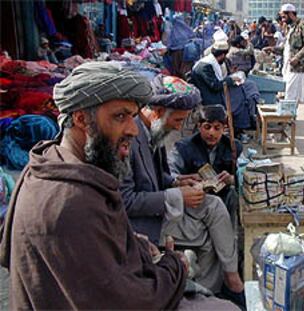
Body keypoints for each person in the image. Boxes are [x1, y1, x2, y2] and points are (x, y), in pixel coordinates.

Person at [0, 61, 236, 310]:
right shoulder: (70, 199)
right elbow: (130, 300)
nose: (133, 130)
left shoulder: (51, 167)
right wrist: (174, 266)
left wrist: (134, 244)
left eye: (133, 116)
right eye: (120, 116)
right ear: (81, 119)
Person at [120, 75, 245, 308]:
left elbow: (158, 178)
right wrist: (176, 195)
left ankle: (220, 285)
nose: (179, 127)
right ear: (157, 111)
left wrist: (178, 181)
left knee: (215, 205)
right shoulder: (130, 139)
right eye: (177, 120)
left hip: (163, 208)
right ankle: (227, 283)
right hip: (144, 225)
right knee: (209, 239)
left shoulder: (153, 133)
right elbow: (126, 201)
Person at [169, 105, 242, 223]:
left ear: (224, 128)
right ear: (199, 127)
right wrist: (183, 180)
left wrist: (232, 179)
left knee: (233, 195)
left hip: (223, 199)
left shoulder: (234, 147)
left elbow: (245, 176)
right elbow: (170, 173)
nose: (211, 133)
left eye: (217, 128)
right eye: (207, 127)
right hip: (195, 200)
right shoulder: (183, 147)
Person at [280, 3, 304, 103]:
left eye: (283, 17)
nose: (282, 20)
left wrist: (297, 58)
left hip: (297, 67)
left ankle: (289, 117)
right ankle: (289, 117)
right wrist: (273, 49)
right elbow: (288, 48)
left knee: (291, 95)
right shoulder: (290, 28)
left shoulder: (303, 25)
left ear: (290, 14)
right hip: (287, 66)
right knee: (288, 94)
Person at [191, 41, 237, 106]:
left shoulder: (209, 62)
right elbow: (215, 86)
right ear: (223, 55)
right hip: (207, 100)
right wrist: (231, 79)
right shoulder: (205, 66)